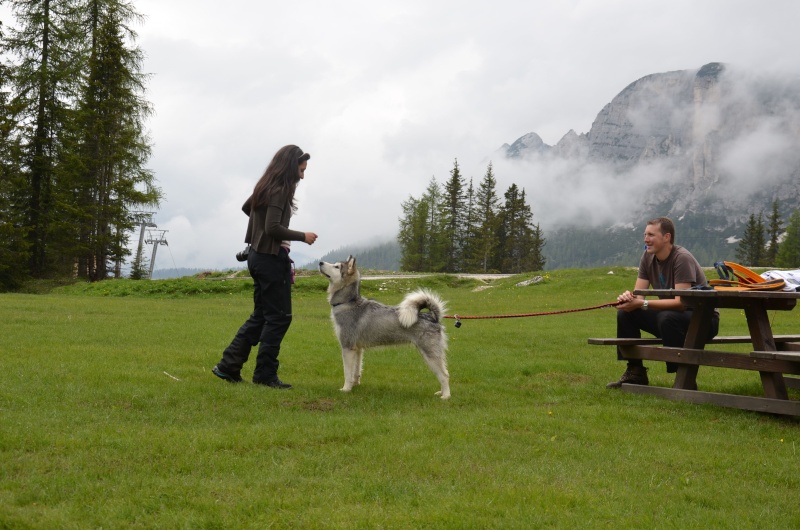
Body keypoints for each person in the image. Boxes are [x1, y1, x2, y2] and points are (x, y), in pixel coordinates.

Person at [212, 145, 318, 389]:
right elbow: (272, 228)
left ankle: (228, 367)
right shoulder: (281, 189)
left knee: (261, 316)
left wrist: (257, 229)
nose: (302, 176)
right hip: (270, 259)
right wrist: (304, 236)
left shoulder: (265, 186)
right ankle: (265, 375)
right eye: (301, 170)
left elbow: (247, 208)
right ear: (292, 166)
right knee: (280, 318)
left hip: (256, 257)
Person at [607, 216, 719, 388]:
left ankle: (684, 378)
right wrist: (629, 299)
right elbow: (640, 295)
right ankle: (635, 371)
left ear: (666, 237)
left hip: (703, 321)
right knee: (626, 313)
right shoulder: (647, 257)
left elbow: (682, 303)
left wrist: (641, 304)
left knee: (667, 317)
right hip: (670, 317)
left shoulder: (681, 258)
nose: (646, 239)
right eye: (645, 234)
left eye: (651, 235)